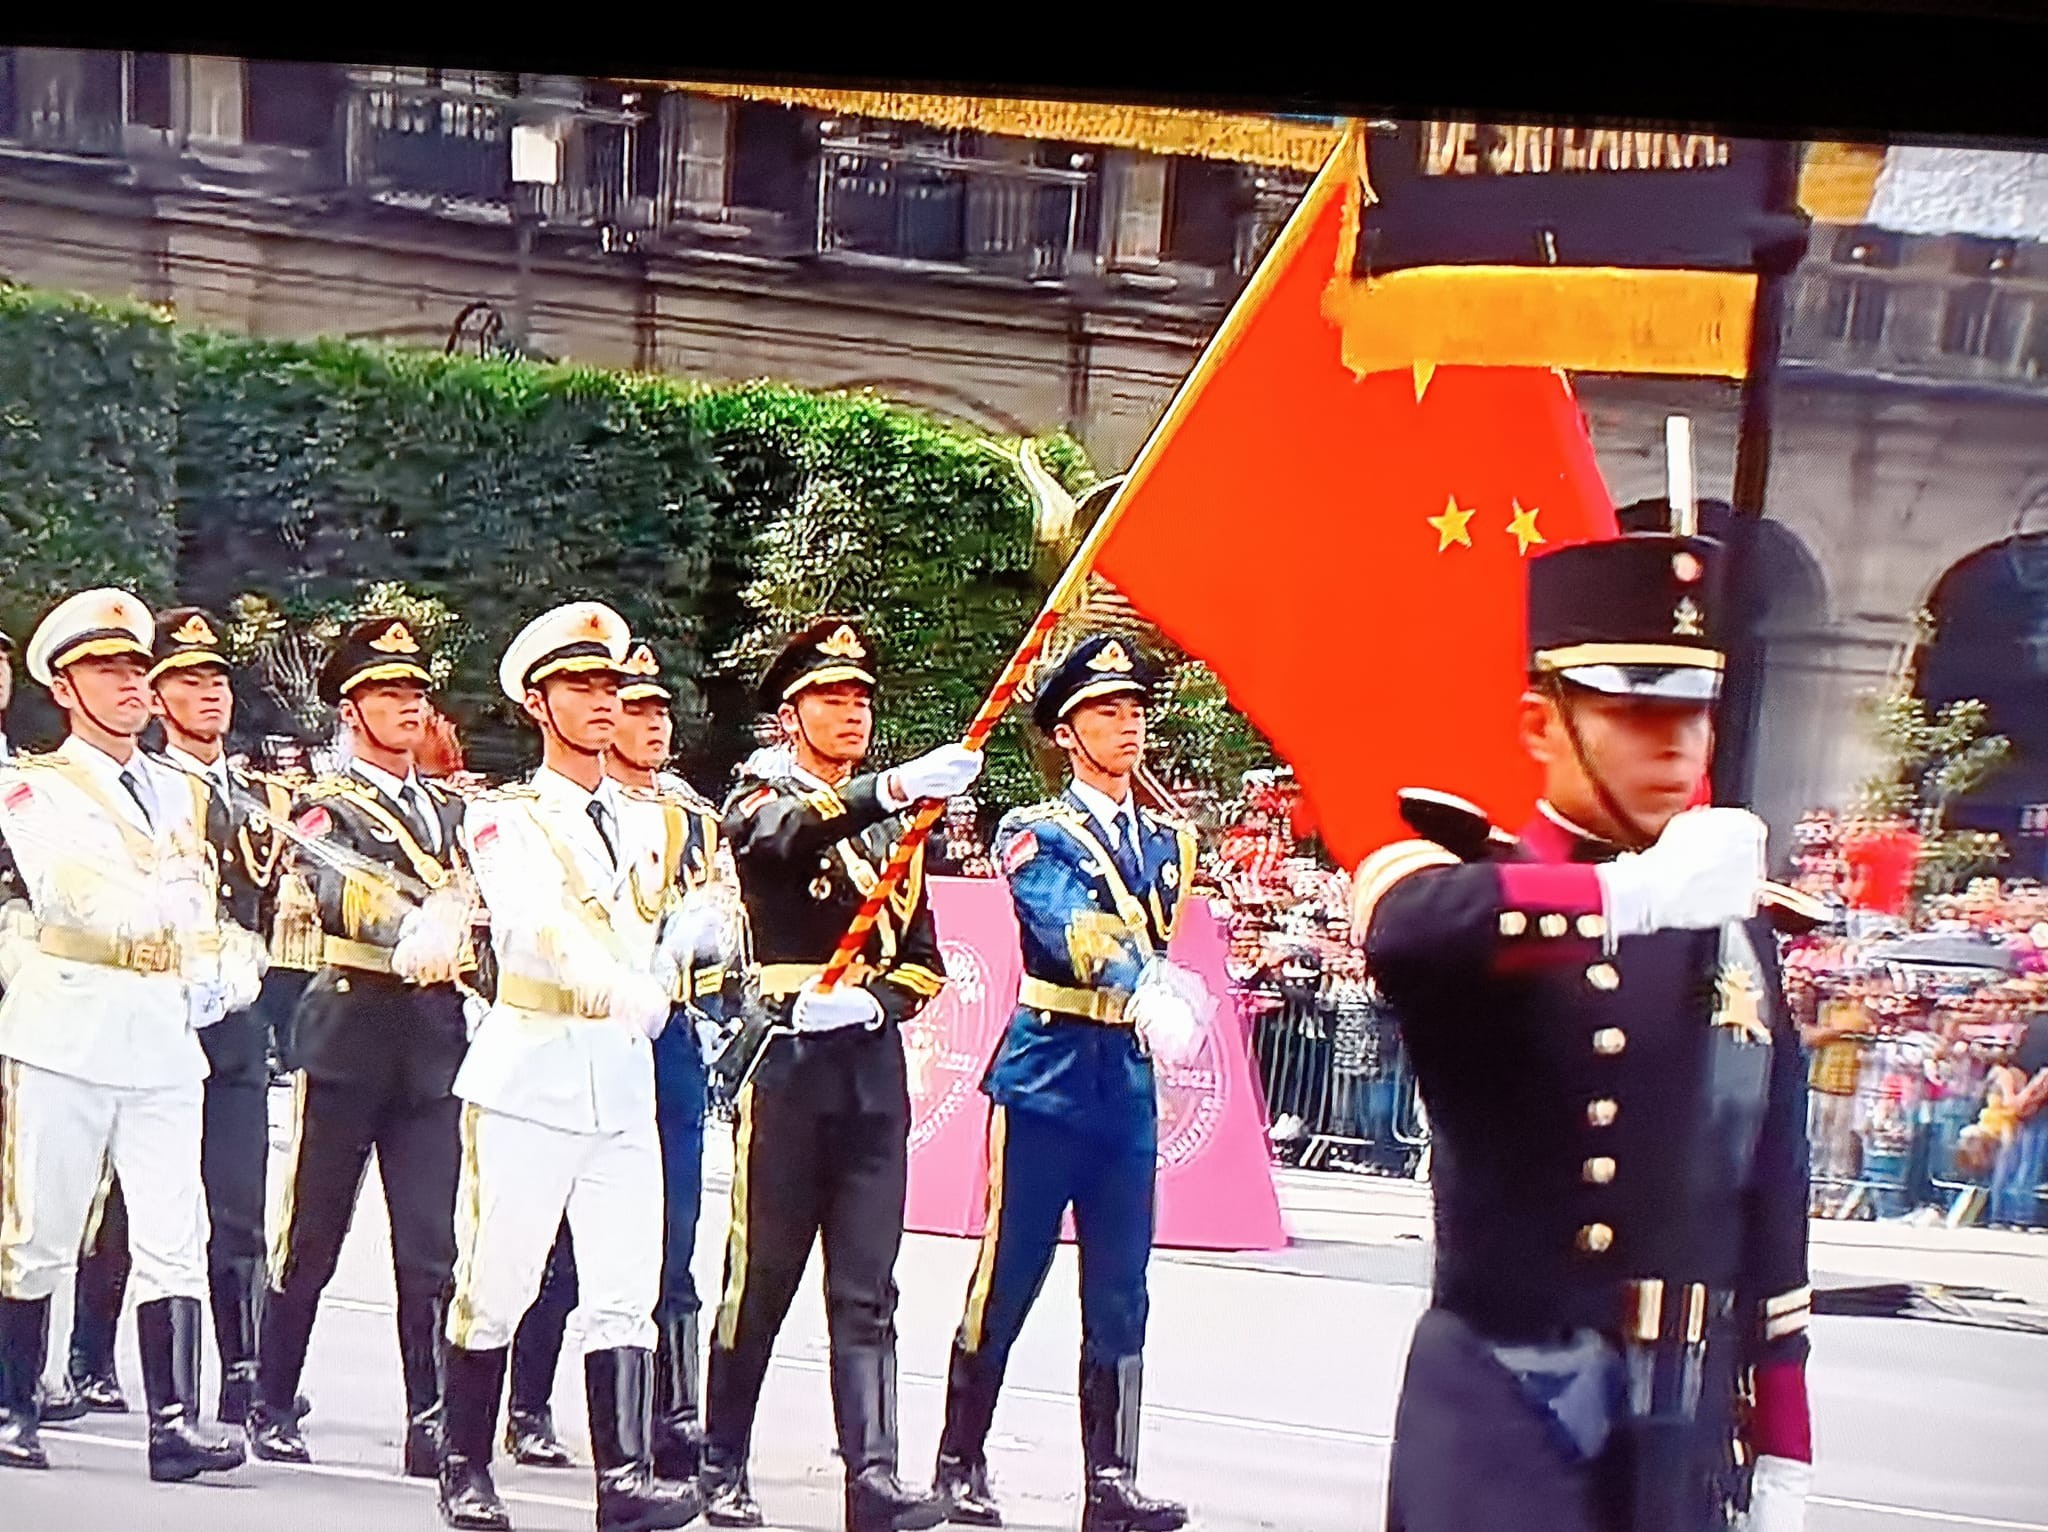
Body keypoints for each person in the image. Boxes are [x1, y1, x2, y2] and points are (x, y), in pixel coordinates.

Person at [1354, 528, 1817, 1532]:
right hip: (1508, 1408)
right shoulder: (1472, 884)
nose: (1676, 744)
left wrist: (1783, 1435)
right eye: (1636, 711)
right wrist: (1631, 895)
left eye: (1694, 711)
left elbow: (1772, 1197)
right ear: (1541, 723)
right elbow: (1410, 928)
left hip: (1682, 1418)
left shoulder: (1740, 927)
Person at [436, 603, 718, 1532]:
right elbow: (537, 922)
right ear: (538, 703)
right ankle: (464, 1465)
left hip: (621, 1079)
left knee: (626, 1287)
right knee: (499, 1282)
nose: (604, 702)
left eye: (611, 686)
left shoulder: (650, 820)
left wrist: (691, 950)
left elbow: (670, 921)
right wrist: (612, 984)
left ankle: (624, 1480)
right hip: (532, 1072)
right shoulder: (504, 818)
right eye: (581, 687)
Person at [702, 617, 979, 1532]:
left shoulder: (900, 832)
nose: (852, 712)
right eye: (831, 698)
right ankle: (721, 1459)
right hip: (788, 1063)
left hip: (867, 1069)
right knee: (762, 1279)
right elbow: (783, 842)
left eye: (862, 699)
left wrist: (876, 1004)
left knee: (867, 1289)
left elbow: (925, 960)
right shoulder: (758, 797)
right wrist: (890, 786)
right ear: (791, 716)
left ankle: (873, 1477)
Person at [931, 633, 1197, 1532]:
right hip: (1047, 1078)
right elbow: (1067, 922)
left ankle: (1112, 1480)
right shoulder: (1033, 832)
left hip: (1124, 1084)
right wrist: (1141, 981)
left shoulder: (1170, 839)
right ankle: (960, 1459)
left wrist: (1165, 998)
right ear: (1066, 734)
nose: (1128, 725)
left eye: (1134, 710)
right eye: (1105, 713)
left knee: (1122, 1286)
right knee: (1009, 1273)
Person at [0, 588, 260, 1482]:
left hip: (158, 1031)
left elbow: (205, 897)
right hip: (67, 1026)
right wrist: (167, 912)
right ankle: (12, 1405)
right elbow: (69, 892)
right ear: (64, 688)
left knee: (174, 1231)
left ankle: (176, 1423)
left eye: (136, 669)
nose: (128, 685)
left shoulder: (177, 788)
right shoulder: (32, 784)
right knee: (40, 1229)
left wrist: (221, 958)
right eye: (105, 670)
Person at [499, 640, 741, 1478]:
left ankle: (670, 1416)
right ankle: (527, 1403)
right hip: (580, 1026)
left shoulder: (689, 819)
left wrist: (712, 983)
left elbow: (721, 911)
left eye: (656, 708)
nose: (649, 723)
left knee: (670, 1234)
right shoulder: (554, 814)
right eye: (635, 709)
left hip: (667, 1034)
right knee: (558, 1244)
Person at [54, 609, 301, 1426]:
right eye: (188, 682)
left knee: (238, 1199)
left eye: (217, 679)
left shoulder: (262, 795)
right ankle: (92, 1354)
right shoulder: (144, 790)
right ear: (156, 699)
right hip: (153, 1002)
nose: (209, 694)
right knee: (129, 1199)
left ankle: (243, 1373)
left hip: (233, 1011)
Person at [249, 617, 475, 1477]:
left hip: (434, 1039)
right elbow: (339, 887)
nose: (410, 705)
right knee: (312, 1233)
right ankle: (272, 1399)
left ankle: (431, 1420)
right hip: (353, 1028)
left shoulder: (453, 809)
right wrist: (410, 925)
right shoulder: (330, 805)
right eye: (389, 692)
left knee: (431, 1244)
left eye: (416, 691)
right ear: (351, 710)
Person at [1986, 1007, 2048, 1228]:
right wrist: (2028, 1098)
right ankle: (2020, 1216)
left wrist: (2015, 1098)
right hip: (2040, 1105)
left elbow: (2013, 1066)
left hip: (2021, 1101)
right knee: (2029, 1163)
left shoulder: (2033, 1023)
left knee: (2011, 1160)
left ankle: (2000, 1214)